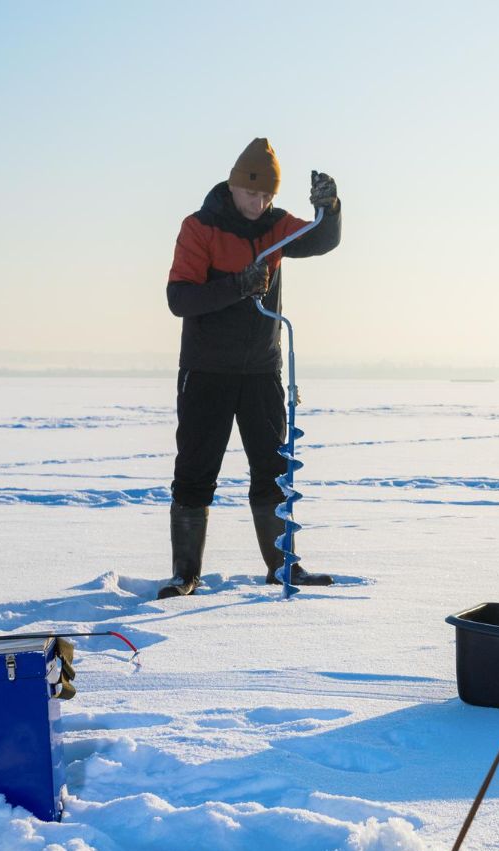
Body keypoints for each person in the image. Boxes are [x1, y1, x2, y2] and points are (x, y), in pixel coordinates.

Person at [158, 137, 343, 599]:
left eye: (267, 196)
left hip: (261, 370)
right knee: (196, 470)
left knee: (272, 471)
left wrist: (330, 208)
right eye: (251, 193)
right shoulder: (199, 227)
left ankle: (283, 567)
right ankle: (185, 574)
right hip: (206, 371)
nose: (259, 204)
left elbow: (320, 239)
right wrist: (237, 286)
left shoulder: (276, 226)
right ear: (234, 185)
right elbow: (179, 299)